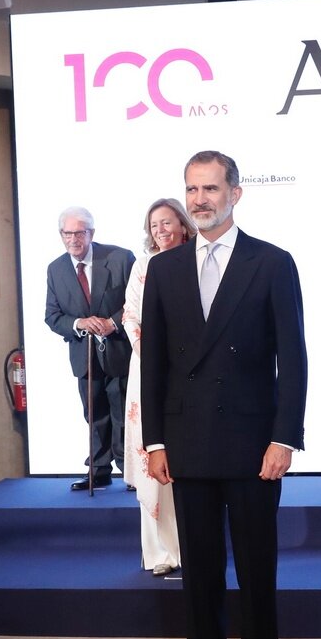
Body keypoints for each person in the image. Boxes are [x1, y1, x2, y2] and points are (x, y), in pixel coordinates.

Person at [141, 150, 307, 639]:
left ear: (236, 194)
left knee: (258, 577)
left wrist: (285, 436)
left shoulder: (272, 263)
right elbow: (154, 363)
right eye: (192, 189)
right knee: (201, 577)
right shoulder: (163, 270)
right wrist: (154, 441)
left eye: (211, 188)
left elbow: (294, 359)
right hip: (187, 445)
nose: (200, 199)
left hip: (253, 444)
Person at [121, 198, 195, 575]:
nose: (161, 230)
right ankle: (160, 553)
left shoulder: (200, 260)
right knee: (153, 454)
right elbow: (130, 314)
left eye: (167, 223)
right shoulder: (143, 266)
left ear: (182, 225)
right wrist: (150, 350)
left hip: (188, 371)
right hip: (149, 370)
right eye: (154, 225)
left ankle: (192, 549)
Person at [44, 206, 134, 489]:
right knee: (94, 415)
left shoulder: (120, 258)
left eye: (79, 233)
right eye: (67, 233)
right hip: (84, 356)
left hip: (119, 351)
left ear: (91, 233)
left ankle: (130, 472)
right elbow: (52, 316)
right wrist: (80, 323)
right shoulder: (56, 269)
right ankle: (99, 471)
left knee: (123, 414)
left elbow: (137, 302)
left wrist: (112, 323)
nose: (73, 239)